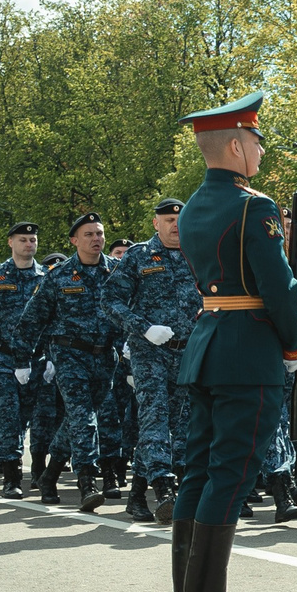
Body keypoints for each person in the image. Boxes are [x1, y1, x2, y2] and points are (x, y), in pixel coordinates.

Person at [168, 93, 297, 592]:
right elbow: (277, 285)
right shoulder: (254, 206)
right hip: (248, 352)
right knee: (232, 473)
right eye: (256, 141)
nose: (261, 153)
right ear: (233, 144)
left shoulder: (196, 206)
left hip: (208, 345)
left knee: (199, 472)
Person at [18, 215, 120, 511]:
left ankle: (49, 475)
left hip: (104, 356)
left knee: (77, 420)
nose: (96, 239)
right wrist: (23, 359)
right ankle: (87, 480)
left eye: (99, 233)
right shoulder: (59, 275)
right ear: (75, 241)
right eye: (88, 234)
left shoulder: (117, 271)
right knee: (83, 416)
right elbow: (32, 319)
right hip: (69, 354)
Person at [107, 199, 200, 521]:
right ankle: (164, 487)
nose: (175, 224)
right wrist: (143, 328)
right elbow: (110, 301)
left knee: (178, 425)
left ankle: (136, 498)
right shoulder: (138, 256)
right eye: (168, 219)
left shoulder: (199, 254)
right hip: (150, 352)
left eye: (180, 219)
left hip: (188, 352)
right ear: (155, 223)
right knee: (154, 419)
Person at [0, 223, 49, 497]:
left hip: (33, 359)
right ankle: (12, 476)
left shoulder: (46, 276)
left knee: (24, 419)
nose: (29, 244)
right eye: (23, 240)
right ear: (10, 242)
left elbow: (53, 320)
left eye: (33, 240)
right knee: (7, 414)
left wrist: (50, 357)